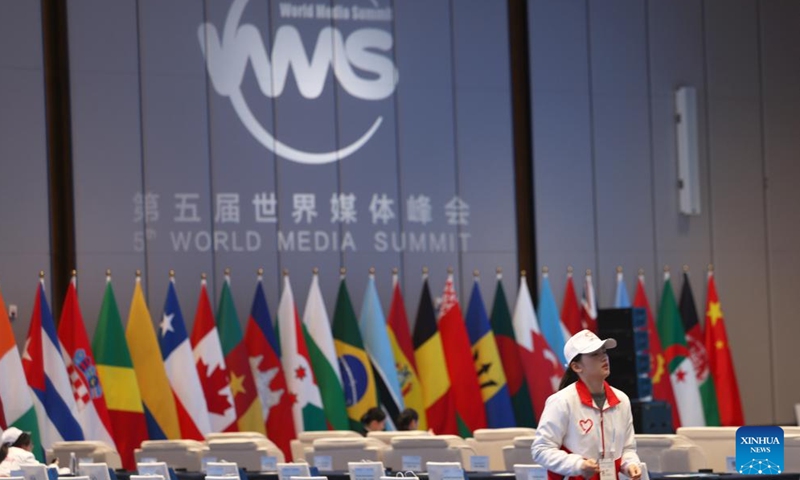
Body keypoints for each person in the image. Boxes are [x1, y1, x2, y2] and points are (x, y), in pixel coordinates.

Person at [531, 330, 642, 480]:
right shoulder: (561, 401)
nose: (604, 357)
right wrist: (578, 465)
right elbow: (541, 449)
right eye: (594, 354)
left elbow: (628, 448)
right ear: (576, 367)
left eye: (604, 352)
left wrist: (630, 464)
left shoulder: (621, 400)